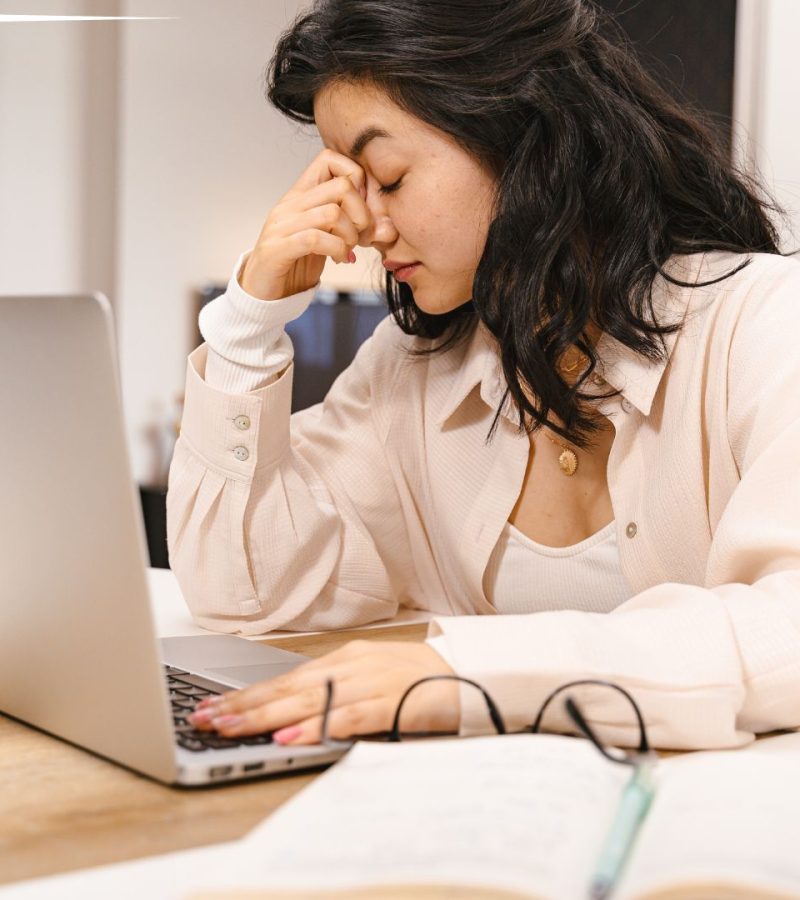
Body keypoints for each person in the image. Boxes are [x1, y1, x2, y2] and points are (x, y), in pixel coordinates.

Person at [167, 0, 800, 751]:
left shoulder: (764, 324)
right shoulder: (408, 374)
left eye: (389, 177)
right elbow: (247, 596)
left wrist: (467, 674)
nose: (363, 224)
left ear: (527, 137)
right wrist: (248, 324)